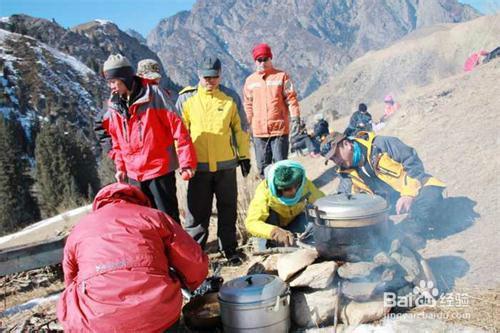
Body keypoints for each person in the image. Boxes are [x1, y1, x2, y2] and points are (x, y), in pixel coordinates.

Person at [57, 183, 208, 332]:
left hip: (97, 324)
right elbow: (194, 262)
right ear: (139, 200)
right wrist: (191, 283)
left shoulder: (79, 229)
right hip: (157, 317)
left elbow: (70, 280)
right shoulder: (153, 216)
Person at [99, 54, 196, 223]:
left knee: (168, 220)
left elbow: (179, 129)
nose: (111, 86)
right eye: (109, 82)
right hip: (134, 175)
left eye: (114, 81)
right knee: (146, 222)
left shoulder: (155, 95)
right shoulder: (114, 105)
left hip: (159, 169)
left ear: (125, 78)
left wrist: (187, 163)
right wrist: (120, 167)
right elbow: (117, 140)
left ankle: (177, 250)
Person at [175, 56, 251, 264]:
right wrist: (184, 163)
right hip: (198, 168)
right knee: (197, 213)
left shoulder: (230, 97)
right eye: (206, 77)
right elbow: (179, 135)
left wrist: (244, 157)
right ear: (199, 75)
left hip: (226, 166)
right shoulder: (186, 99)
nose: (210, 81)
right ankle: (195, 255)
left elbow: (241, 129)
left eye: (214, 77)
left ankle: (229, 249)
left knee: (228, 209)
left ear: (220, 74)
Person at [323, 131, 445, 236]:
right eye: (332, 159)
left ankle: (410, 232)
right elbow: (344, 199)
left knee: (429, 199)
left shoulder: (380, 145)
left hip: (417, 188)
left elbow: (412, 163)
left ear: (346, 144)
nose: (336, 161)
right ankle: (411, 229)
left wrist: (408, 194)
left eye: (336, 155)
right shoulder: (345, 173)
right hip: (390, 203)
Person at [243, 43, 301, 178]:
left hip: (279, 130)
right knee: (263, 168)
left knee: (281, 166)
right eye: (259, 60)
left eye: (265, 59)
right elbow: (248, 105)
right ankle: (268, 194)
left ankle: (283, 195)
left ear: (270, 59)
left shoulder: (282, 76)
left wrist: (295, 118)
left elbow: (291, 99)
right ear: (255, 61)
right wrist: (247, 125)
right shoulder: (250, 81)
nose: (262, 62)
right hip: (259, 132)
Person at [245, 160, 324, 250]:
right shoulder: (264, 191)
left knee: (316, 226)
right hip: (272, 228)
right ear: (277, 188)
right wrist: (275, 232)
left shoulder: (304, 183)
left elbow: (323, 204)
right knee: (264, 248)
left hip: (294, 222)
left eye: (296, 185)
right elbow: (251, 223)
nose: (293, 191)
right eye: (287, 189)